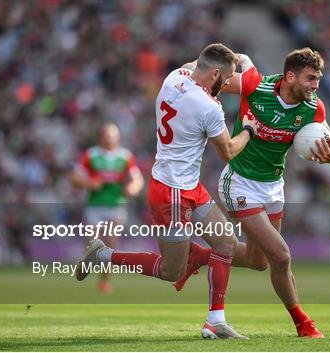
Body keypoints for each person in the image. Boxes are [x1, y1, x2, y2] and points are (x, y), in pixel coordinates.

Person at [74, 43, 257, 339]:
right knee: (170, 270)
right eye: (226, 78)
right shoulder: (209, 107)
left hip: (187, 185)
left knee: (226, 243)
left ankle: (216, 321)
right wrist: (249, 129)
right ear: (213, 74)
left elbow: (194, 64)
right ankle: (104, 254)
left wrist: (232, 63)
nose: (227, 85)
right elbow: (228, 151)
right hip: (172, 192)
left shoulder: (174, 77)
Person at [175, 48, 330, 338]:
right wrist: (184, 72)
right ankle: (303, 322)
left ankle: (199, 256)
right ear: (290, 76)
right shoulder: (255, 85)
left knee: (259, 261)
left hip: (273, 186)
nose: (315, 85)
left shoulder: (313, 107)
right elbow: (208, 79)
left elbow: (326, 137)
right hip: (239, 184)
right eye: (311, 78)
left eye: (318, 79)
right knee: (282, 256)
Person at [72, 122, 144, 293]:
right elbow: (75, 178)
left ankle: (104, 282)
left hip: (115, 206)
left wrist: (133, 187)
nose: (109, 138)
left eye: (112, 135)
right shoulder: (91, 155)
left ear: (117, 137)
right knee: (91, 243)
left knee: (109, 246)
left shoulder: (125, 156)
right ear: (100, 137)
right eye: (106, 135)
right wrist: (89, 183)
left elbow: (137, 179)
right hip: (94, 206)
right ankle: (88, 262)